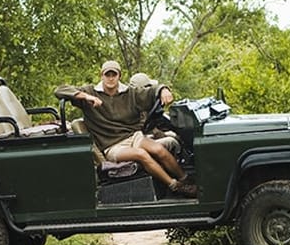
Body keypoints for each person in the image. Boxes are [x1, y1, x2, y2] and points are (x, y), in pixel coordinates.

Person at [55, 61, 196, 196]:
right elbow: (60, 90)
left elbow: (150, 92)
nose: (110, 78)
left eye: (114, 75)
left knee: (159, 150)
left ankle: (186, 180)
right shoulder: (91, 91)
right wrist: (86, 97)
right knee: (141, 155)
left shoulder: (130, 93)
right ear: (101, 75)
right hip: (112, 146)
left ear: (119, 76)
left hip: (132, 136)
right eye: (107, 75)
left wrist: (163, 90)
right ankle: (175, 186)